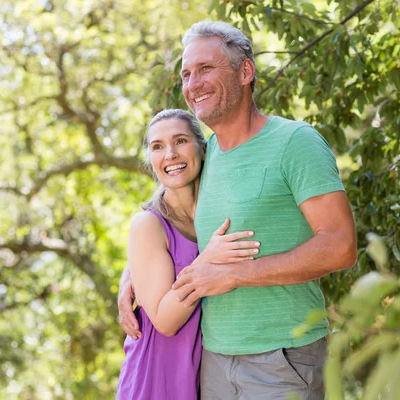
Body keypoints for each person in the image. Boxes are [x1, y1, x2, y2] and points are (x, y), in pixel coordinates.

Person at [119, 21, 358, 399]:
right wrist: (133, 272)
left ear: (245, 72)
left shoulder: (295, 142)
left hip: (284, 357)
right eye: (186, 74)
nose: (193, 83)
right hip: (213, 361)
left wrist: (236, 275)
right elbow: (168, 220)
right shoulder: (204, 157)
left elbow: (341, 246)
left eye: (205, 69)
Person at [116, 109, 260, 399]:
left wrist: (130, 273)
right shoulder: (149, 224)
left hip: (213, 371)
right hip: (158, 374)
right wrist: (207, 259)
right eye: (157, 147)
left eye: (180, 141)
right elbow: (165, 322)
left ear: (203, 149)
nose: (170, 154)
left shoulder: (223, 210)